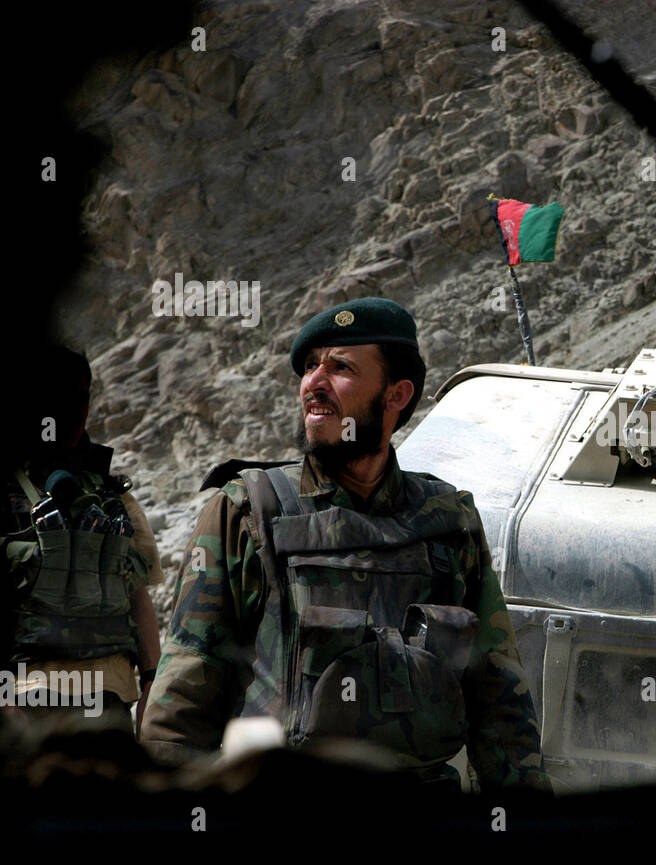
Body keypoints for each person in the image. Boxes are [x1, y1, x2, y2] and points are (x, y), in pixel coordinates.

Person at [140, 298, 550, 792]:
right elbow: (183, 698)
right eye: (311, 367)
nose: (314, 382)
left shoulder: (449, 520)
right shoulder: (249, 512)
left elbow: (499, 696)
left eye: (340, 367)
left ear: (397, 394)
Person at [2, 343, 164, 736]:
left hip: (109, 698)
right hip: (27, 699)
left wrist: (152, 686)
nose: (75, 409)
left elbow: (138, 595)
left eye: (83, 395)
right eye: (60, 394)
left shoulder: (114, 495)